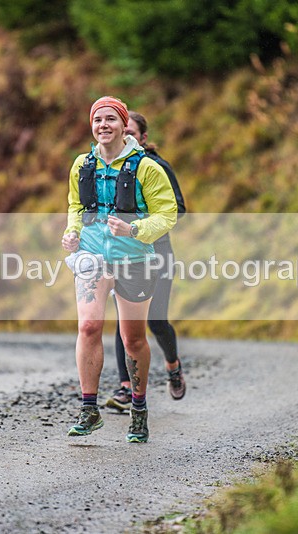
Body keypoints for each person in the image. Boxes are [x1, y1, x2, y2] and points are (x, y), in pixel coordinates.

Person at [62, 96, 177, 443]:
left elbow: (167, 214)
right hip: (92, 258)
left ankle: (139, 409)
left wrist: (134, 230)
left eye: (111, 119)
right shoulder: (82, 165)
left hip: (134, 259)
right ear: (92, 126)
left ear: (124, 125)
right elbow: (76, 205)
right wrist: (73, 233)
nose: (103, 126)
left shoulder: (147, 168)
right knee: (89, 326)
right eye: (98, 120)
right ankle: (89, 408)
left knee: (133, 339)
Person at [106, 111, 187, 412]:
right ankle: (126, 388)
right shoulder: (111, 168)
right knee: (125, 321)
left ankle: (173, 365)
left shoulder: (157, 167)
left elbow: (177, 209)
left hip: (158, 253)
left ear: (142, 138)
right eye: (121, 131)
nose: (123, 136)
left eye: (130, 132)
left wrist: (139, 224)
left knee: (155, 320)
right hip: (124, 255)